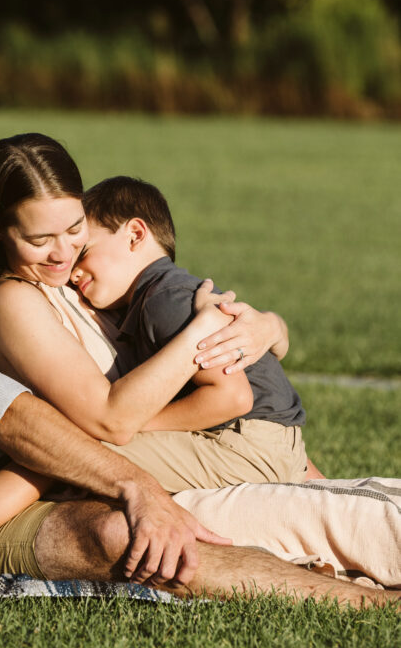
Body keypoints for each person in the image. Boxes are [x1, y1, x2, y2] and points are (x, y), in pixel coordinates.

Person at [0, 90, 397, 605]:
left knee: (167, 519)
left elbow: (101, 246)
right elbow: (3, 419)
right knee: (126, 535)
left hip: (28, 468)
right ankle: (364, 606)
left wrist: (266, 326)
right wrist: (132, 482)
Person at [69, 175, 315, 490]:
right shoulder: (162, 295)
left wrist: (138, 423)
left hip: (249, 443)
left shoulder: (162, 300)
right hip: (266, 441)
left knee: (78, 456)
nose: (73, 272)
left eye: (84, 251)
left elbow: (232, 397)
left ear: (134, 235)